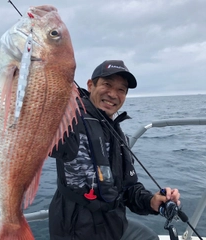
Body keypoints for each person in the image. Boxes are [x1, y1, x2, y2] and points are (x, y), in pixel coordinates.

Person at [49, 60, 180, 240]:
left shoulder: (117, 132)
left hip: (113, 225)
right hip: (77, 230)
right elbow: (46, 132)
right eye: (107, 84)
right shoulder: (70, 121)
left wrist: (152, 201)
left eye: (121, 90)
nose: (112, 94)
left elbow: (128, 188)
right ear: (90, 85)